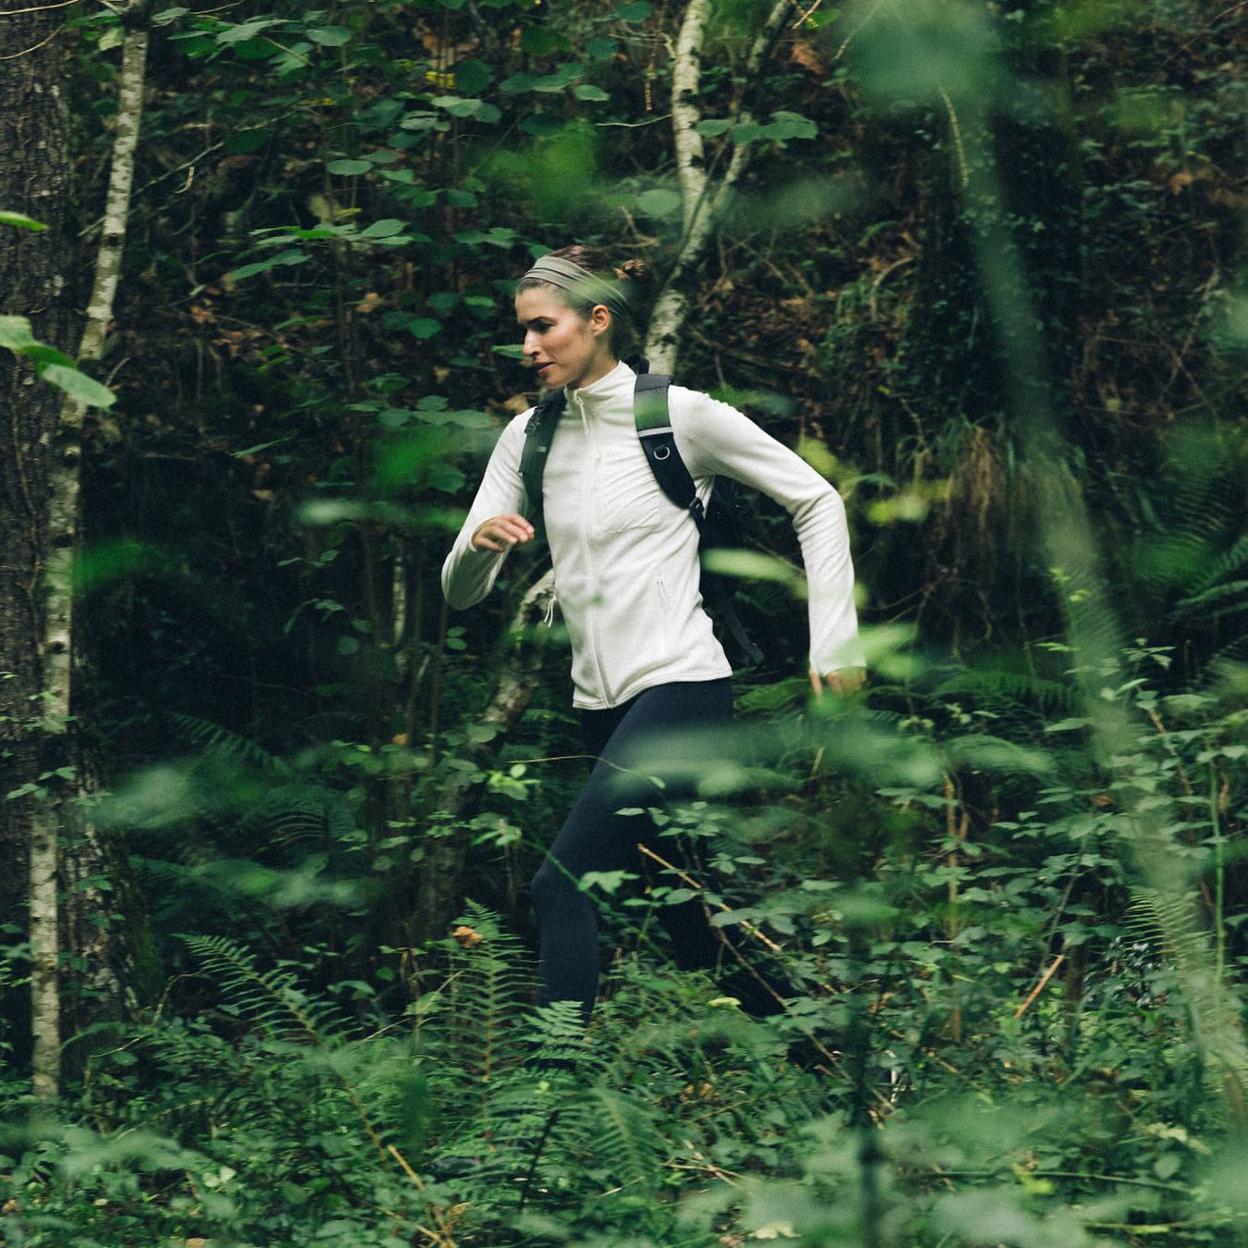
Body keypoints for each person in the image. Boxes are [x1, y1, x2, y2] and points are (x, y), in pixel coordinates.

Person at [441, 244, 866, 1030]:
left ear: (598, 321)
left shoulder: (678, 415)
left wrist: (833, 642)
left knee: (559, 884)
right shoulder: (527, 439)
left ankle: (546, 1110)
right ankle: (847, 1065)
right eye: (522, 333)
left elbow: (817, 500)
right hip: (599, 707)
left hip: (683, 689)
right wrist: (477, 546)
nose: (528, 347)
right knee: (692, 924)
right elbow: (460, 593)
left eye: (544, 328)